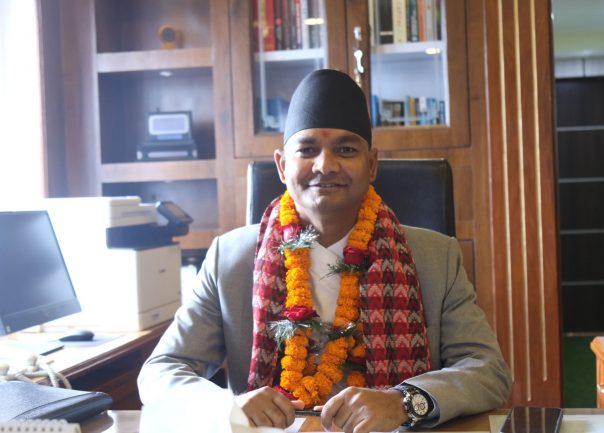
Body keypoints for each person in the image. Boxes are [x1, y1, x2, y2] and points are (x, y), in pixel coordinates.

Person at [138, 69, 511, 433]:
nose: (325, 165)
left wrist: (403, 402)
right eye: (307, 150)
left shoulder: (435, 257)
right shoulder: (230, 259)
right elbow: (161, 370)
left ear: (372, 165)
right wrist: (229, 406)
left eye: (346, 150)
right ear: (282, 166)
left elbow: (488, 370)